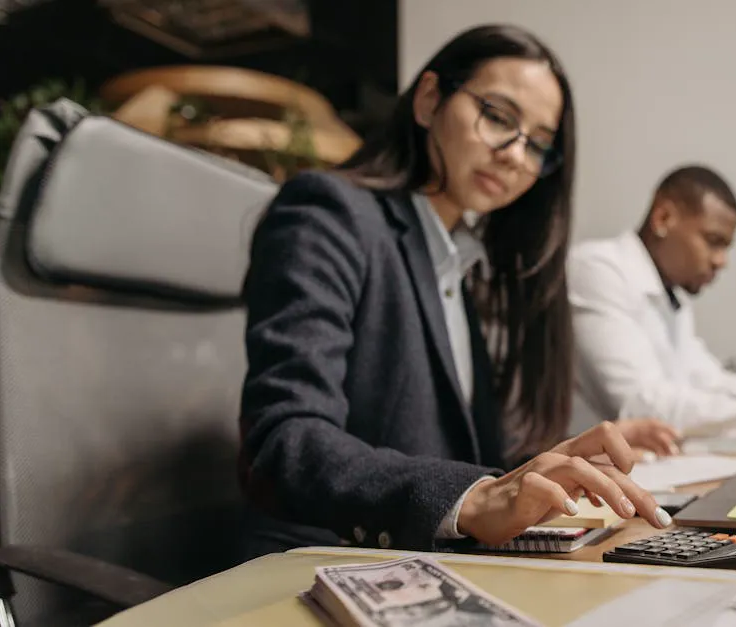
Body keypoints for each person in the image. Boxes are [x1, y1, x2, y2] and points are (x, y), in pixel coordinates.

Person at [236, 24, 674, 559]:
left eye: (538, 144)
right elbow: (286, 440)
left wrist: (558, 464)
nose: (516, 154)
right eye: (498, 117)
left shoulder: (458, 259)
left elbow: (447, 452)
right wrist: (475, 497)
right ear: (428, 101)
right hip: (320, 563)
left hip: (425, 561)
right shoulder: (327, 213)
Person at [568, 165, 736, 437]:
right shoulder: (598, 269)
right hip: (574, 470)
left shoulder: (673, 297)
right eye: (713, 241)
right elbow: (642, 409)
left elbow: (711, 382)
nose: (721, 261)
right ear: (663, 218)